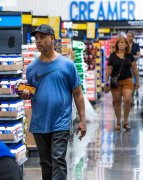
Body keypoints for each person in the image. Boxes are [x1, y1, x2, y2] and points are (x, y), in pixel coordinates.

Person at [20, 24, 87, 180]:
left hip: (61, 121)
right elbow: (30, 91)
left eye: (42, 37)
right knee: (45, 163)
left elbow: (78, 94)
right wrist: (24, 94)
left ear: (52, 39)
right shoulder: (31, 68)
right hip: (39, 122)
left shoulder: (67, 65)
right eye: (36, 38)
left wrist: (82, 120)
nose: (38, 41)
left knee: (58, 160)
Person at [104, 36, 140, 131]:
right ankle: (118, 123)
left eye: (123, 43)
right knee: (117, 102)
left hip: (127, 80)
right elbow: (108, 70)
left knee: (127, 100)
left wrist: (138, 80)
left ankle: (126, 122)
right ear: (117, 45)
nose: (121, 44)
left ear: (126, 44)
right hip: (115, 81)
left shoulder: (129, 56)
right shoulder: (112, 55)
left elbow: (134, 69)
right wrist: (106, 82)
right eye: (119, 43)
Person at [126, 31, 141, 106]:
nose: (128, 37)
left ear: (133, 37)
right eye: (127, 36)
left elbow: (139, 55)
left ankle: (131, 98)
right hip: (125, 66)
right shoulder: (124, 44)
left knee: (133, 82)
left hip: (133, 65)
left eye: (129, 36)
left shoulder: (136, 45)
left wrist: (132, 57)